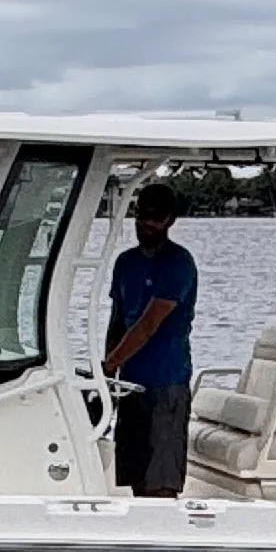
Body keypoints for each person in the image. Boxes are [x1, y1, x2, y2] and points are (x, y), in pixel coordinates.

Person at [101, 185, 200, 497]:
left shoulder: (178, 263)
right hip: (130, 382)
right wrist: (108, 374)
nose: (147, 223)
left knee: (160, 480)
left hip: (166, 382)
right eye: (142, 215)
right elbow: (118, 320)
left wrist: (110, 363)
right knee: (136, 474)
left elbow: (149, 324)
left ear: (170, 220)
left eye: (156, 217)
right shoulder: (125, 262)